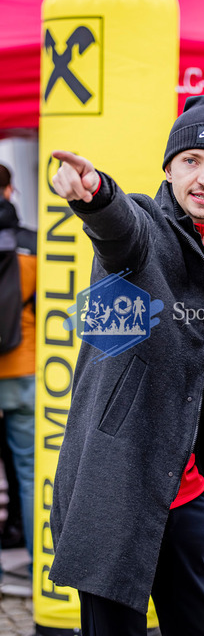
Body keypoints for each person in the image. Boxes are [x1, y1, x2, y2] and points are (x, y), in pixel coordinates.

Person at [49, 95, 204, 636]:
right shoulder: (147, 229)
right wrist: (96, 195)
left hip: (188, 493)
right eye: (191, 160)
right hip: (115, 483)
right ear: (169, 169)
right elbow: (119, 229)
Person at [0, 164, 37, 575]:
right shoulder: (32, 245)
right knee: (30, 472)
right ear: (10, 191)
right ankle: (36, 560)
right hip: (23, 368)